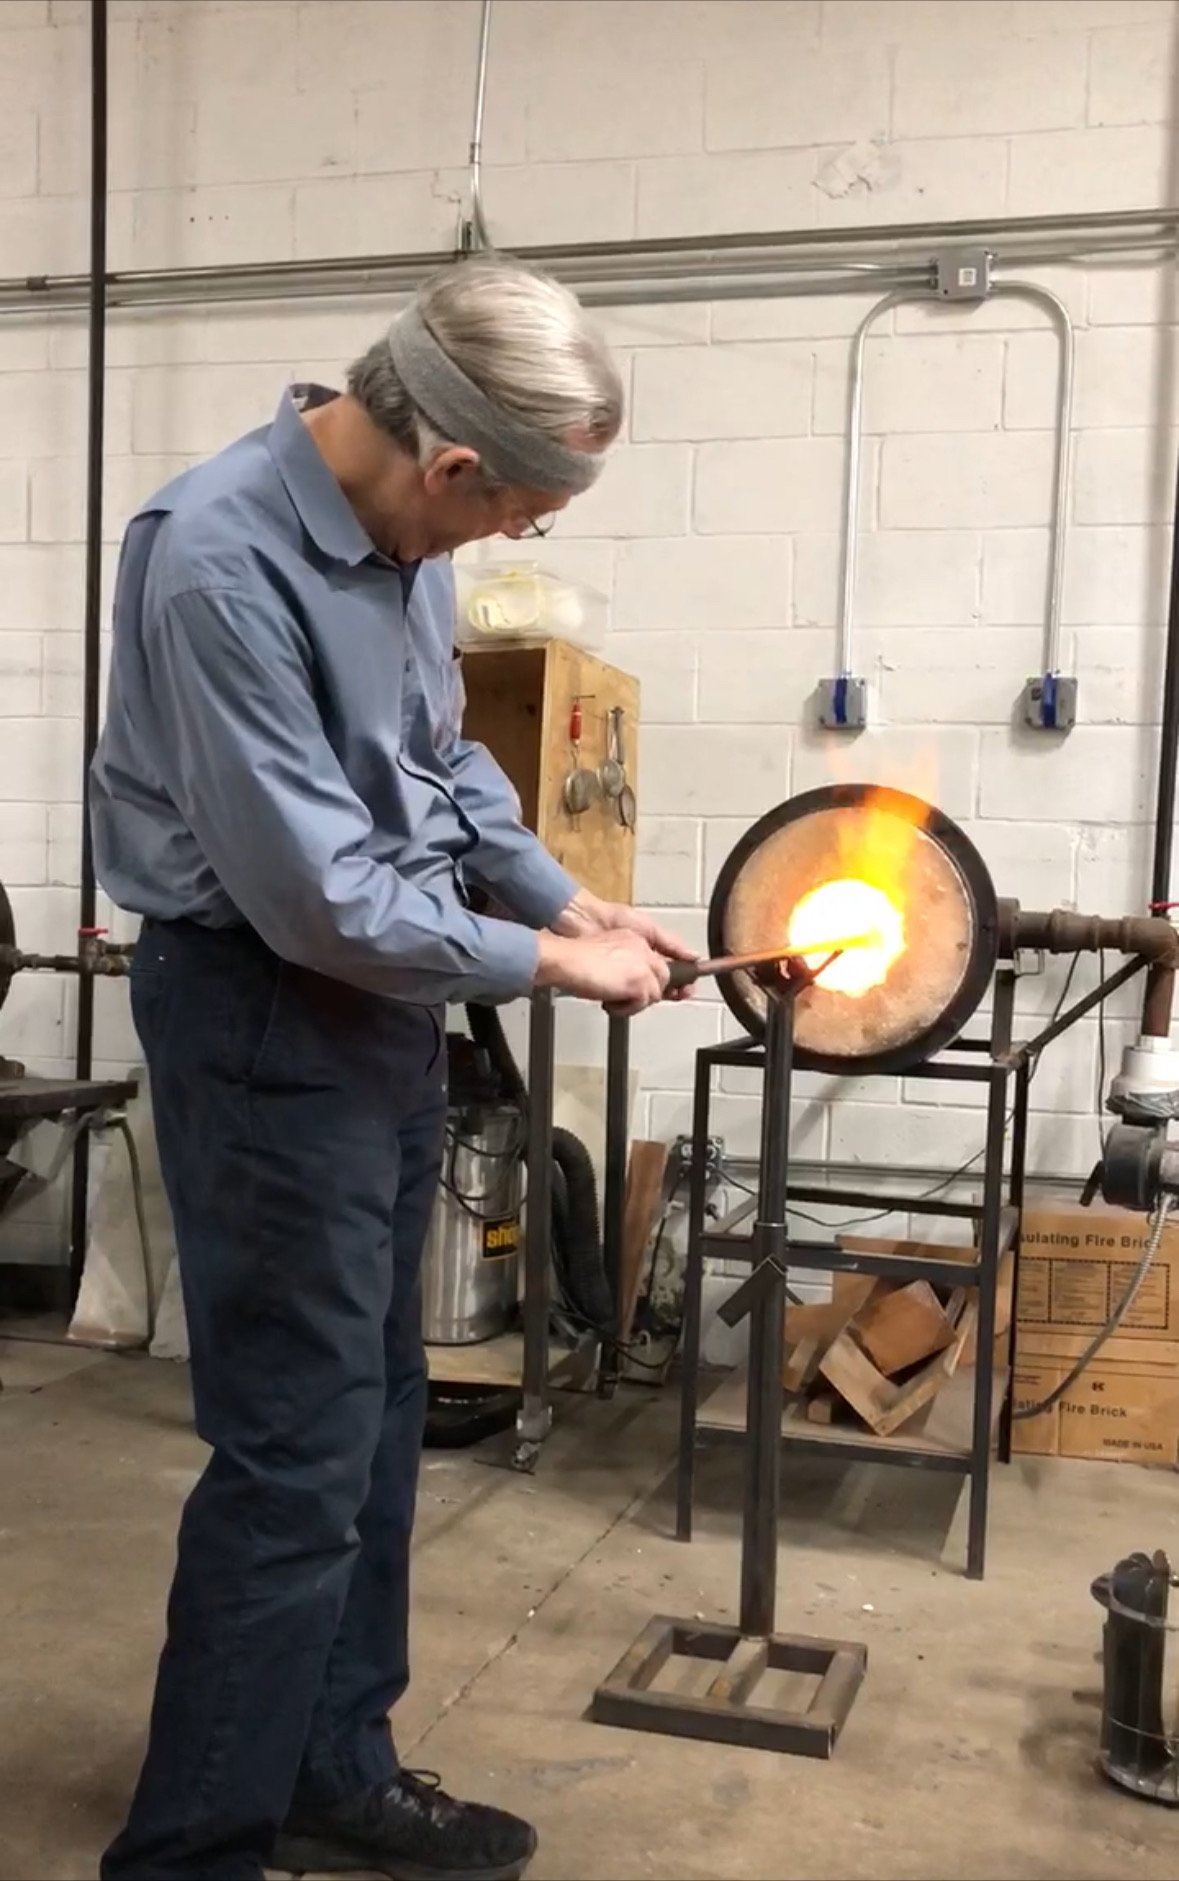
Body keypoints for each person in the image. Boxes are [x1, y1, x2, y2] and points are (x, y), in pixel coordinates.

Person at [91, 255, 692, 1881]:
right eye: (514, 518)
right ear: (449, 466)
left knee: (371, 1428)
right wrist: (553, 963)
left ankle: (325, 1763)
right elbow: (315, 893)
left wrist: (573, 895)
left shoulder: (404, 552)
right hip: (264, 1007)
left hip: (375, 1018)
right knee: (292, 1452)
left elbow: (438, 772)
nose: (505, 545)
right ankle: (190, 1847)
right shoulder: (219, 560)